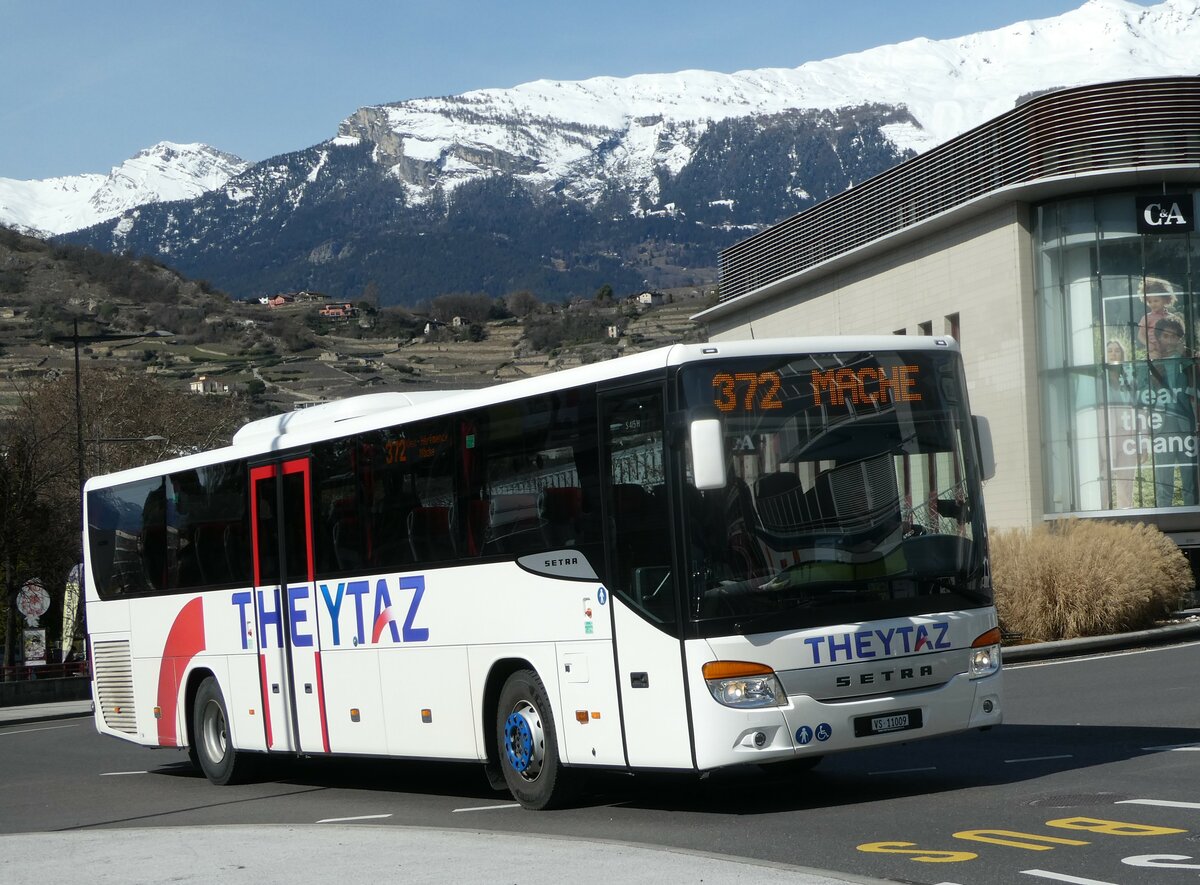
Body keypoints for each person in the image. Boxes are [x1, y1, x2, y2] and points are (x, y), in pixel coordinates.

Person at [1145, 316, 1199, 507]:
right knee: (1163, 480)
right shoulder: (1151, 362)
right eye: (1165, 336)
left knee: (1190, 480)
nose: (1169, 341)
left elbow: (1196, 388)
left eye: (1173, 336)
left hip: (1186, 428)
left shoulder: (1188, 362)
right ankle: (1163, 518)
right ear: (1159, 338)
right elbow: (1144, 393)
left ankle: (1192, 517)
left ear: (1179, 339)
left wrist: (1187, 359)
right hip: (1162, 429)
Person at [1102, 339, 1139, 509]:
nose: (1113, 354)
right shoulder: (1099, 380)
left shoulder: (1130, 380)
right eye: (1110, 351)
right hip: (1106, 437)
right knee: (1104, 482)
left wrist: (1141, 443)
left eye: (1117, 351)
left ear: (1122, 355)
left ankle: (1125, 517)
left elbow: (1139, 410)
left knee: (1126, 483)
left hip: (1127, 437)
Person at [1137, 276, 1183, 360]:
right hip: (1154, 351)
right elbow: (1140, 335)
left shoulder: (1171, 318)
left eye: (1156, 301)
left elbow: (1179, 335)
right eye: (1150, 301)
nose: (1153, 304)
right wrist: (1148, 344)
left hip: (1170, 351)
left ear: (1165, 299)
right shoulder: (1147, 318)